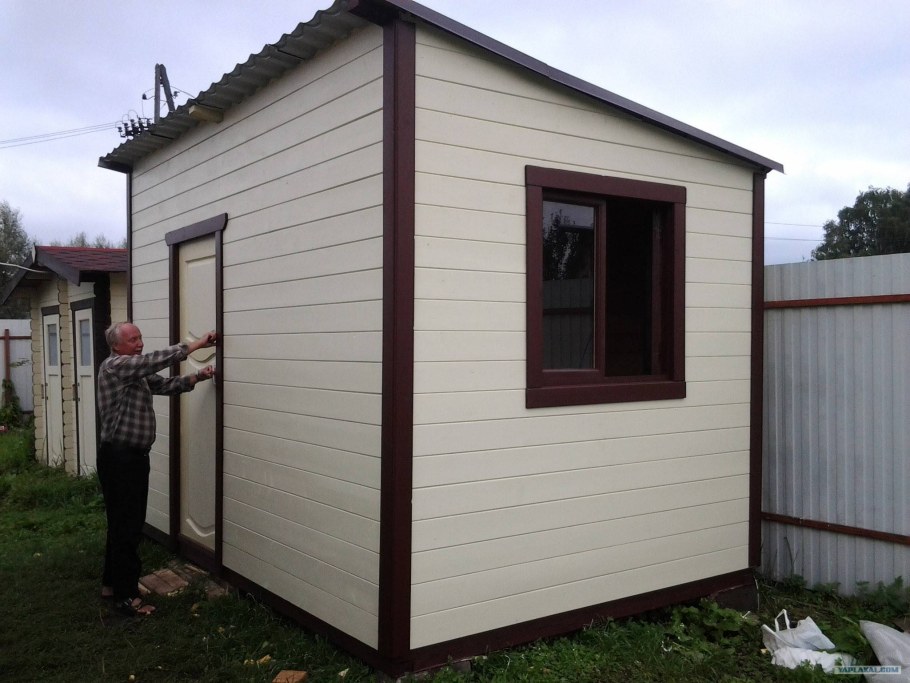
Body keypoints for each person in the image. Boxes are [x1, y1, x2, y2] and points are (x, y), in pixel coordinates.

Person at [96, 321, 217, 617]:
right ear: (116, 346)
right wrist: (196, 344)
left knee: (121, 524)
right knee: (128, 526)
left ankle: (111, 585)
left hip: (130, 458)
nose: (139, 343)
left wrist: (197, 376)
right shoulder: (115, 366)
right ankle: (127, 597)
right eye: (132, 340)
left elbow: (163, 385)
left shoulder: (134, 372)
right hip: (120, 459)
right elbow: (154, 360)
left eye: (140, 338)